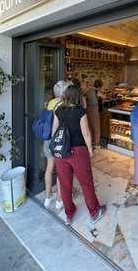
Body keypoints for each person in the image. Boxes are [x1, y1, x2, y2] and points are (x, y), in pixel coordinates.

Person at [51, 84, 107, 224]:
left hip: (61, 152)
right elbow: (86, 133)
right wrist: (90, 149)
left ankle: (69, 214)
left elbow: (54, 132)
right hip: (78, 152)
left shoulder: (58, 110)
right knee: (86, 183)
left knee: (65, 184)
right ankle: (94, 212)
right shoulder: (80, 112)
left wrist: (55, 150)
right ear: (78, 97)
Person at [43, 80, 70, 209]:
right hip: (58, 139)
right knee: (60, 170)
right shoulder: (62, 105)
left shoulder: (50, 103)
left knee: (49, 167)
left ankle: (48, 197)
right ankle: (59, 200)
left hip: (47, 139)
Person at [85, 79, 106, 147]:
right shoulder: (96, 91)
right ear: (100, 86)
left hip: (88, 109)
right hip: (94, 109)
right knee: (96, 127)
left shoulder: (88, 90)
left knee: (90, 126)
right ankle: (96, 144)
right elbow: (104, 97)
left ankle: (91, 142)